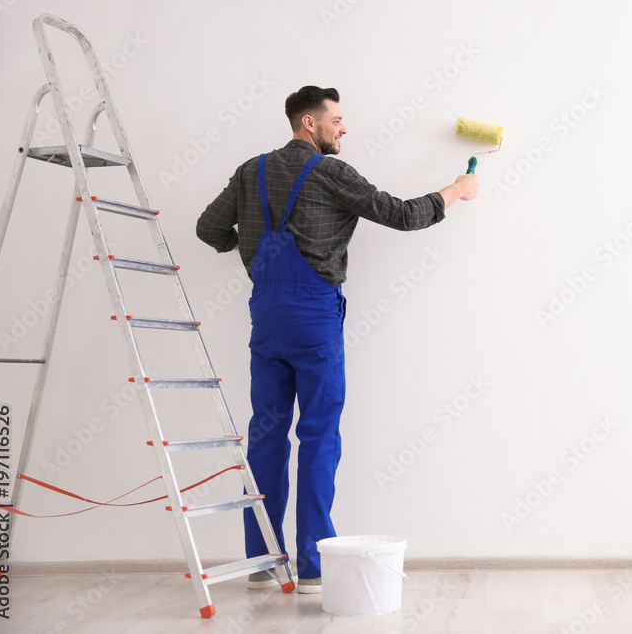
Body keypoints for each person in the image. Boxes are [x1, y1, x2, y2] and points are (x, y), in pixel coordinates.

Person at [196, 86, 479, 593]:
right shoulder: (331, 173)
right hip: (314, 321)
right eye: (338, 120)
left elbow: (207, 229)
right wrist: (456, 191)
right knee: (319, 437)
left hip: (266, 319)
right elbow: (403, 214)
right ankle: (312, 569)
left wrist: (247, 245)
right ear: (310, 123)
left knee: (265, 434)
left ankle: (261, 563)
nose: (344, 128)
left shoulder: (250, 171)